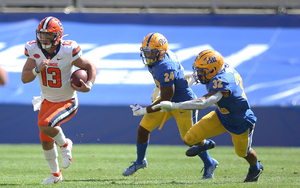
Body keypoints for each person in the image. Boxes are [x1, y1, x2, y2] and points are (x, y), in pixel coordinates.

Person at [153, 50, 263, 182]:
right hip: (221, 115)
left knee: (243, 153)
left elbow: (205, 102)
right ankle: (205, 145)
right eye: (198, 70)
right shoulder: (217, 69)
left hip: (240, 121)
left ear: (214, 69)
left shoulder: (223, 80)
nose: (199, 74)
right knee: (189, 138)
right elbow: (194, 77)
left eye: (202, 71)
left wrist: (175, 105)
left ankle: (255, 167)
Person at [122, 33, 218, 179]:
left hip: (183, 103)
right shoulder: (162, 58)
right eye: (146, 51)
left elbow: (167, 98)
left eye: (151, 52)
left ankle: (209, 162)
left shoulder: (164, 66)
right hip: (168, 97)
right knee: (143, 130)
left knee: (191, 139)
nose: (148, 55)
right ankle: (140, 161)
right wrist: (157, 88)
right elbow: (173, 79)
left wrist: (144, 110)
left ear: (161, 52)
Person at [21, 16, 97, 184]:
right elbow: (25, 78)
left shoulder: (68, 50)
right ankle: (56, 175)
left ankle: (65, 144)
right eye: (41, 35)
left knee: (45, 124)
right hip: (47, 100)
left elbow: (91, 66)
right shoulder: (33, 49)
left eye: (48, 36)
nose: (43, 39)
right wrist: (36, 69)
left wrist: (89, 85)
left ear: (58, 36)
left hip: (67, 101)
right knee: (45, 138)